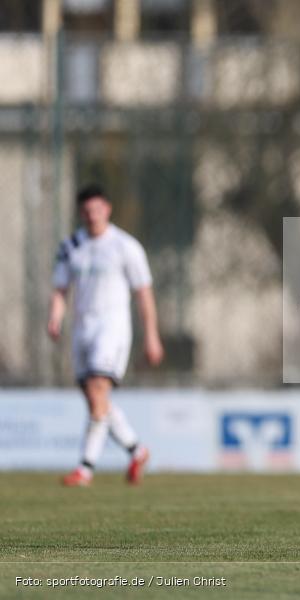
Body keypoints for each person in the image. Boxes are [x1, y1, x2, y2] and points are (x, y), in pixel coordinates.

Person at [47, 184, 164, 487]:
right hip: (82, 328)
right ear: (80, 213)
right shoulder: (71, 246)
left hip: (112, 329)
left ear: (107, 210)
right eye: (86, 211)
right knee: (95, 401)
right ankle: (137, 451)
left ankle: (85, 469)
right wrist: (55, 318)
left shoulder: (126, 246)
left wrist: (151, 335)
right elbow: (61, 288)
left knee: (99, 389)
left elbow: (144, 293)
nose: (92, 216)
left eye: (97, 210)